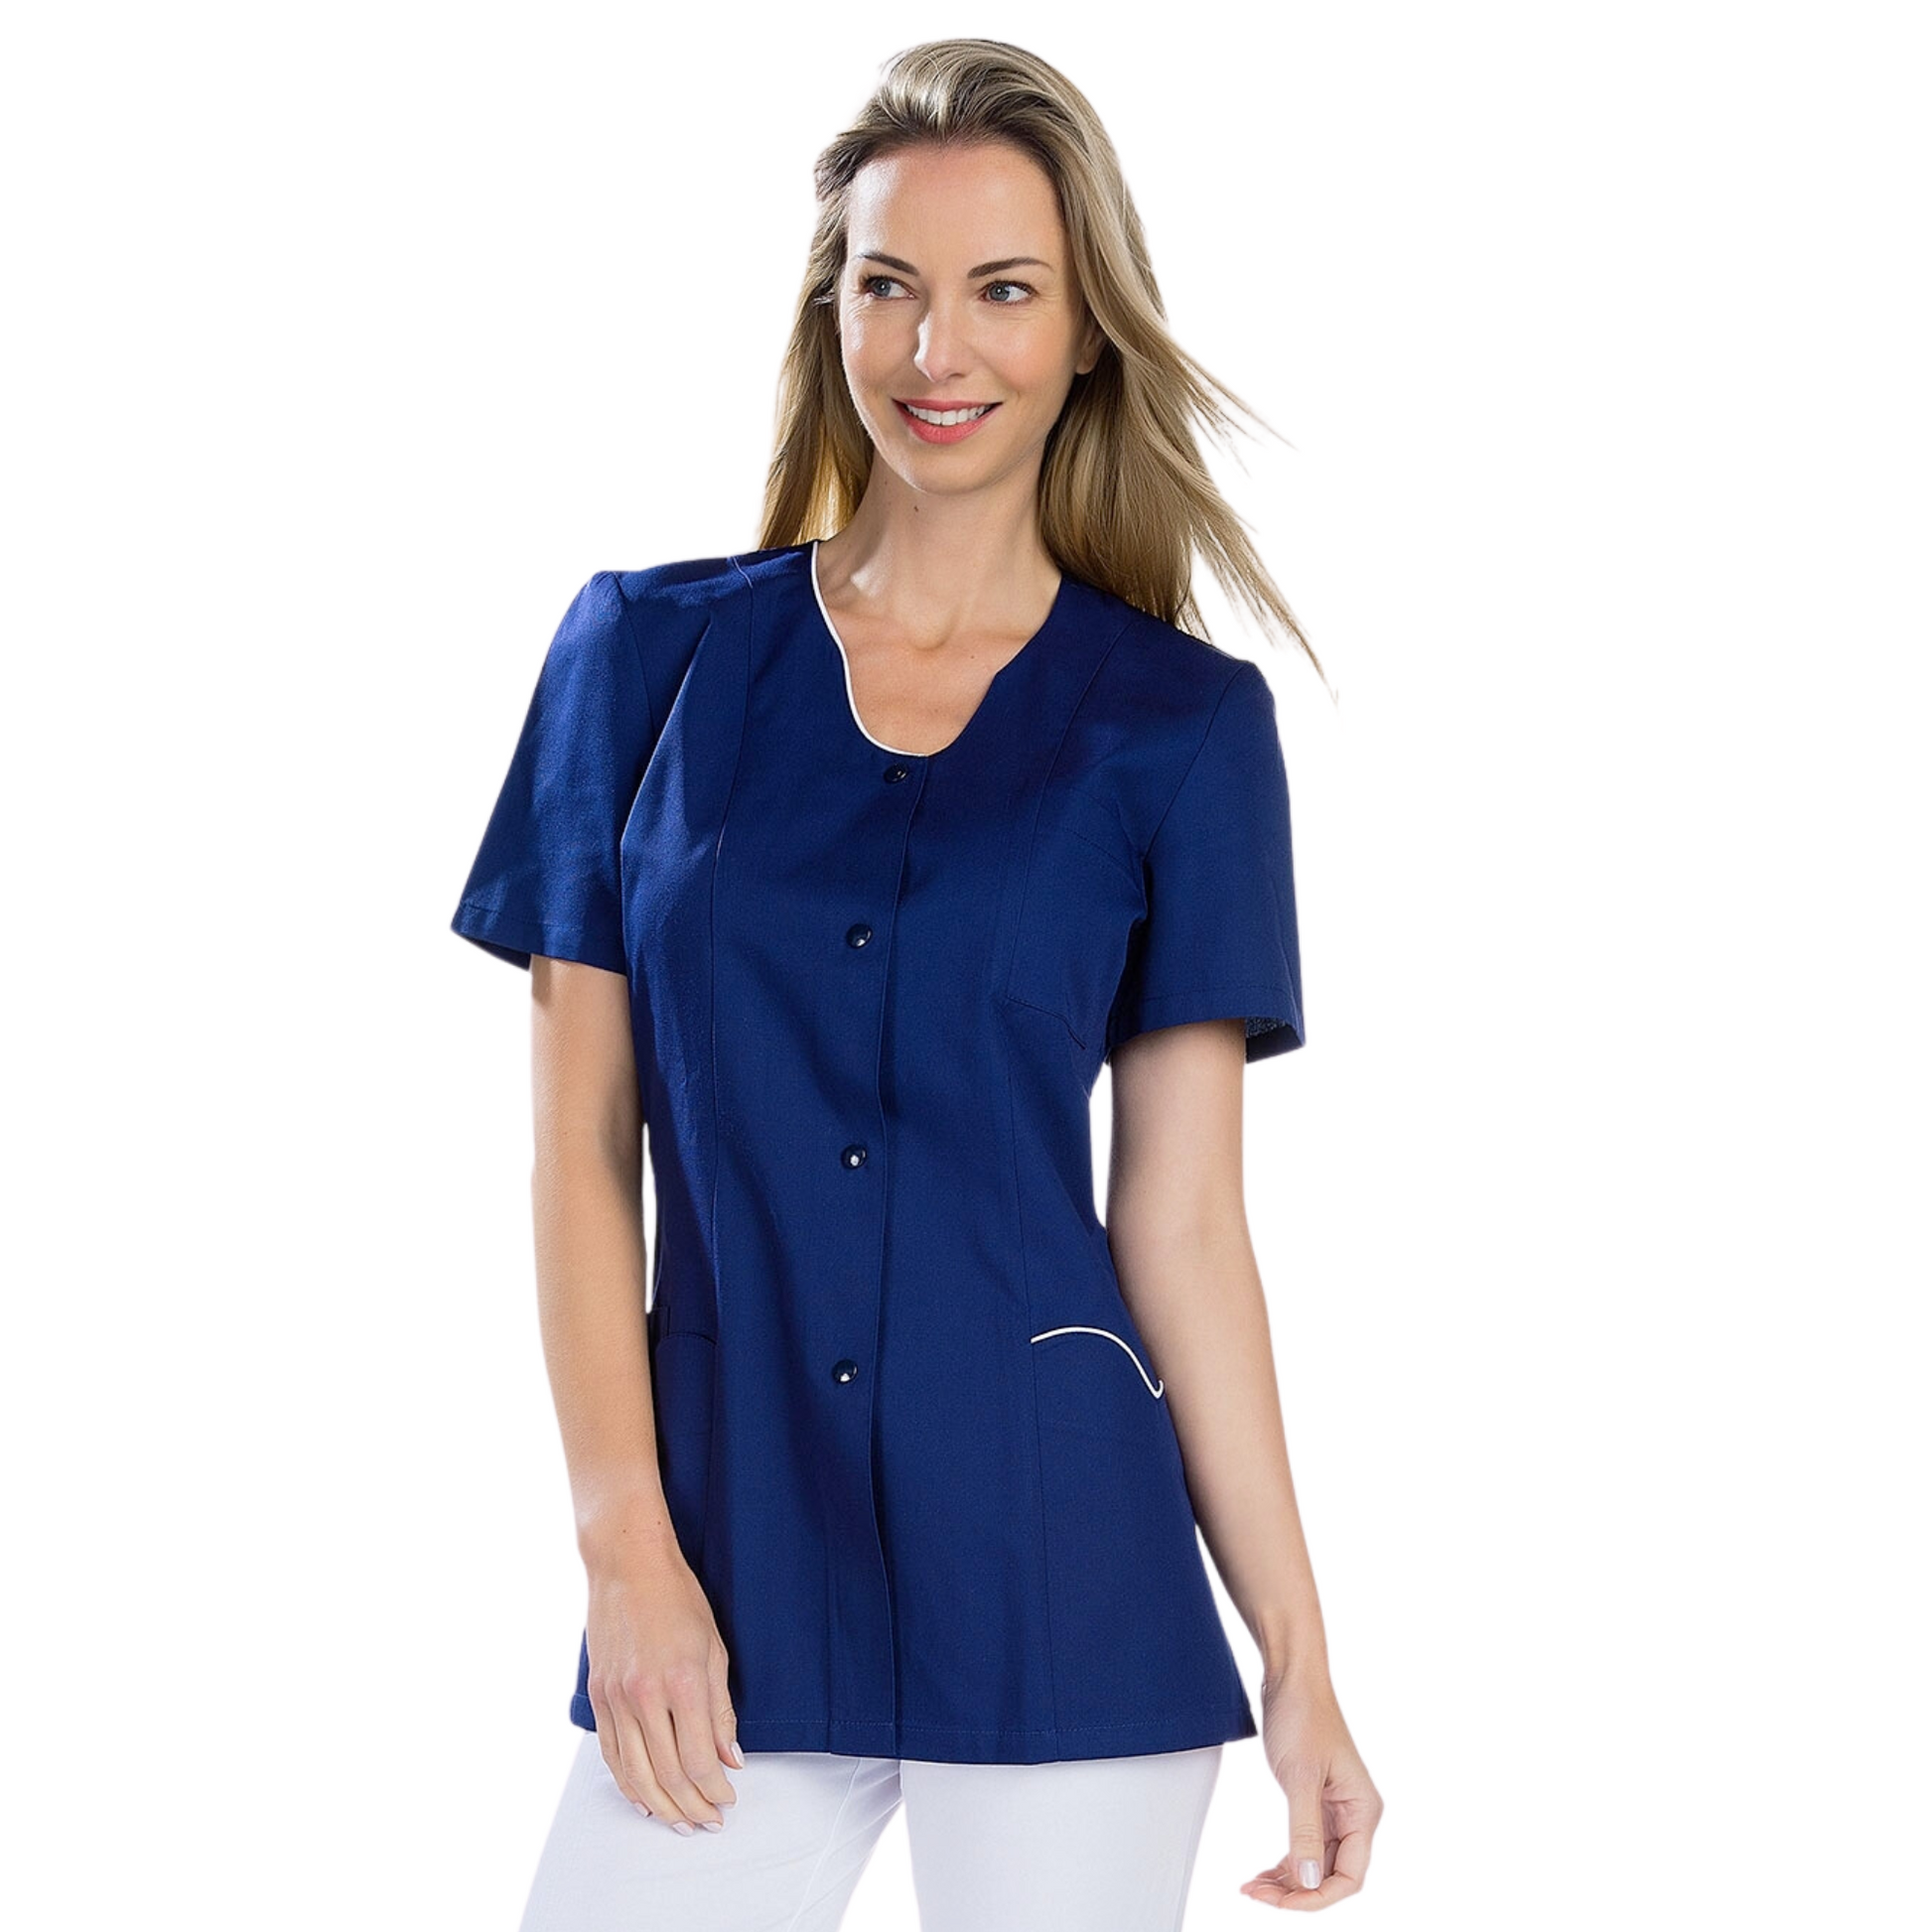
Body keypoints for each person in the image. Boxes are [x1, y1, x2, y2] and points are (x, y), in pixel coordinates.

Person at [452, 37, 1382, 1930]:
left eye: (1002, 291)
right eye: (889, 285)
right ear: (833, 312)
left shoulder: (1182, 729)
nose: (936, 348)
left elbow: (1183, 1224)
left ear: (1086, 333)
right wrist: (624, 1545)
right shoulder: (640, 657)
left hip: (1064, 1578)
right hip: (727, 1570)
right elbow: (579, 1152)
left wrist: (1297, 1660)